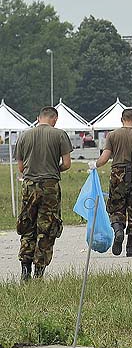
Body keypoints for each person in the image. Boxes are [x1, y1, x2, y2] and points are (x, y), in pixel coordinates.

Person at [15, 106, 72, 280]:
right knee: (47, 227)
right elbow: (67, 163)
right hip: (50, 186)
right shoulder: (59, 135)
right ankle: (39, 271)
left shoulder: (24, 136)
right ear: (54, 119)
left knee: (28, 225)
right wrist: (53, 169)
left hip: (29, 185)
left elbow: (21, 167)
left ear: (38, 118)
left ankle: (25, 269)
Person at [90, 108, 132, 257]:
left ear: (122, 119)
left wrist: (95, 164)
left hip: (117, 175)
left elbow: (105, 157)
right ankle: (131, 248)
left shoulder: (113, 135)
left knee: (116, 207)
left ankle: (118, 230)